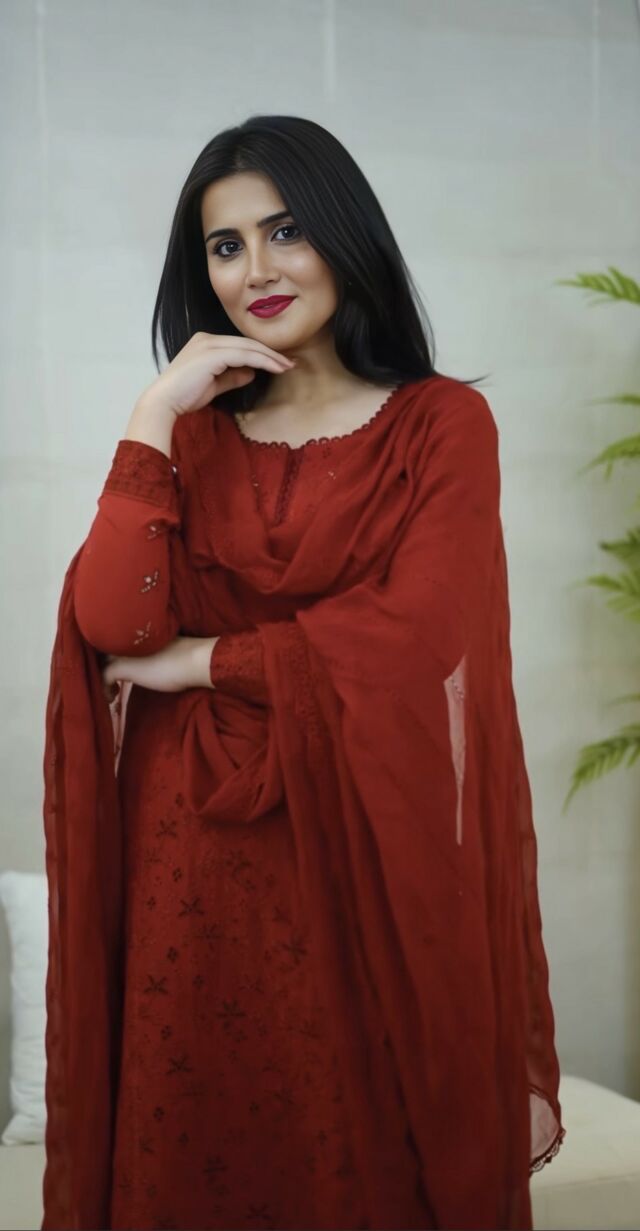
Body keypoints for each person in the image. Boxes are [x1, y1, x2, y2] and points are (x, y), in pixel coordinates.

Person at [41, 114, 565, 1231]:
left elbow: (418, 634)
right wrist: (152, 413)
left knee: (352, 1145)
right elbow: (110, 620)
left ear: (343, 232)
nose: (258, 270)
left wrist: (202, 659)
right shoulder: (191, 436)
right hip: (187, 852)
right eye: (226, 246)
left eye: (285, 230)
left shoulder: (442, 424)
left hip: (358, 838)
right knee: (190, 1131)